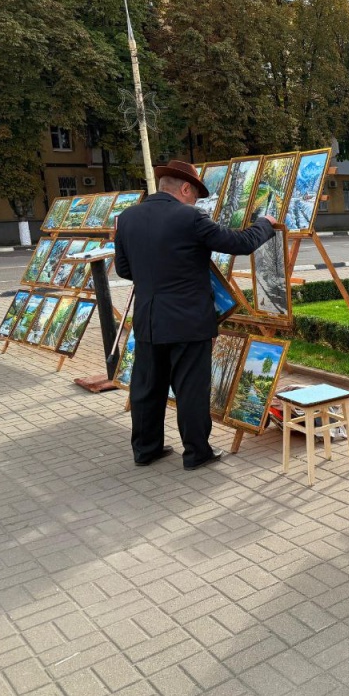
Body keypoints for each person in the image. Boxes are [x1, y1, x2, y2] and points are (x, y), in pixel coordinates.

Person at [115, 160, 277, 470]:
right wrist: (265, 224)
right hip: (188, 321)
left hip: (148, 319)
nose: (196, 203)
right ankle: (196, 453)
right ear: (186, 189)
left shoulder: (128, 218)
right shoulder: (189, 217)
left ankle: (146, 450)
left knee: (147, 387)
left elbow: (124, 269)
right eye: (196, 197)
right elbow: (240, 243)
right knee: (190, 389)